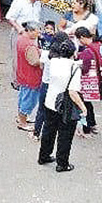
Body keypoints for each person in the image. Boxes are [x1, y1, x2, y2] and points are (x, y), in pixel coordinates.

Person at [38, 37, 82, 173]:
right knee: (65, 135)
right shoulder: (74, 68)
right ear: (73, 53)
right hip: (65, 106)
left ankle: (44, 156)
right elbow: (73, 92)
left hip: (50, 102)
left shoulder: (54, 62)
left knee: (48, 130)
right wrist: (83, 108)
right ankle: (62, 163)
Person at [75, 28, 102, 136]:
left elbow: (85, 69)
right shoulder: (99, 45)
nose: (80, 42)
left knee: (83, 105)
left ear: (82, 37)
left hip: (89, 83)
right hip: (97, 80)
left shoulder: (88, 51)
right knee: (87, 103)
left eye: (79, 39)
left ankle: (86, 129)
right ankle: (93, 124)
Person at [15, 22, 44, 130]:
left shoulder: (21, 39)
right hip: (31, 76)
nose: (39, 33)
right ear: (31, 31)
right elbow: (34, 62)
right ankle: (23, 123)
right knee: (29, 100)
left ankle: (20, 117)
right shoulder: (30, 45)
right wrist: (43, 60)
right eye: (37, 31)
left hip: (22, 73)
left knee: (23, 96)